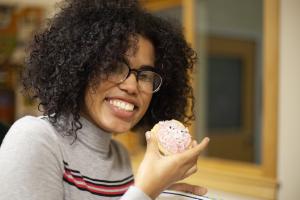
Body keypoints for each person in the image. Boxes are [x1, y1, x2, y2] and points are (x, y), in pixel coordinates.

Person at [0, 0, 209, 199]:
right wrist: (146, 191)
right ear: (80, 67)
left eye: (145, 75)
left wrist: (155, 194)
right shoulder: (34, 138)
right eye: (113, 67)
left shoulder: (119, 156)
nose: (131, 86)